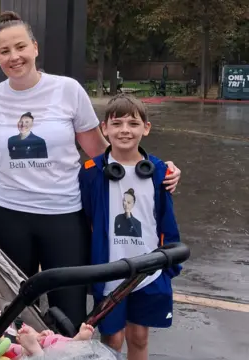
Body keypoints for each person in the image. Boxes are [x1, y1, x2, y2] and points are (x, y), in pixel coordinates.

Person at [0, 11, 182, 330]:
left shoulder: (68, 90)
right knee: (9, 312)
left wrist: (155, 170)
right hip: (7, 215)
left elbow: (103, 152)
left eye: (20, 47)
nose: (13, 57)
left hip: (64, 215)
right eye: (4, 51)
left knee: (70, 313)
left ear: (34, 48)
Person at [79, 95, 181, 360]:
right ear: (105, 128)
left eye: (133, 123)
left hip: (148, 271)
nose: (125, 130)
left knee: (139, 336)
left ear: (146, 128)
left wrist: (169, 266)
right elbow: (83, 219)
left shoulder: (159, 172)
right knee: (111, 338)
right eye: (117, 123)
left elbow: (166, 222)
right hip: (110, 270)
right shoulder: (91, 172)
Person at [0, 272, 95, 357]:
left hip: (30, 345)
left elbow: (22, 329)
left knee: (51, 339)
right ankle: (35, 352)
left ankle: (75, 343)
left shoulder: (1, 312)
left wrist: (38, 335)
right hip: (13, 355)